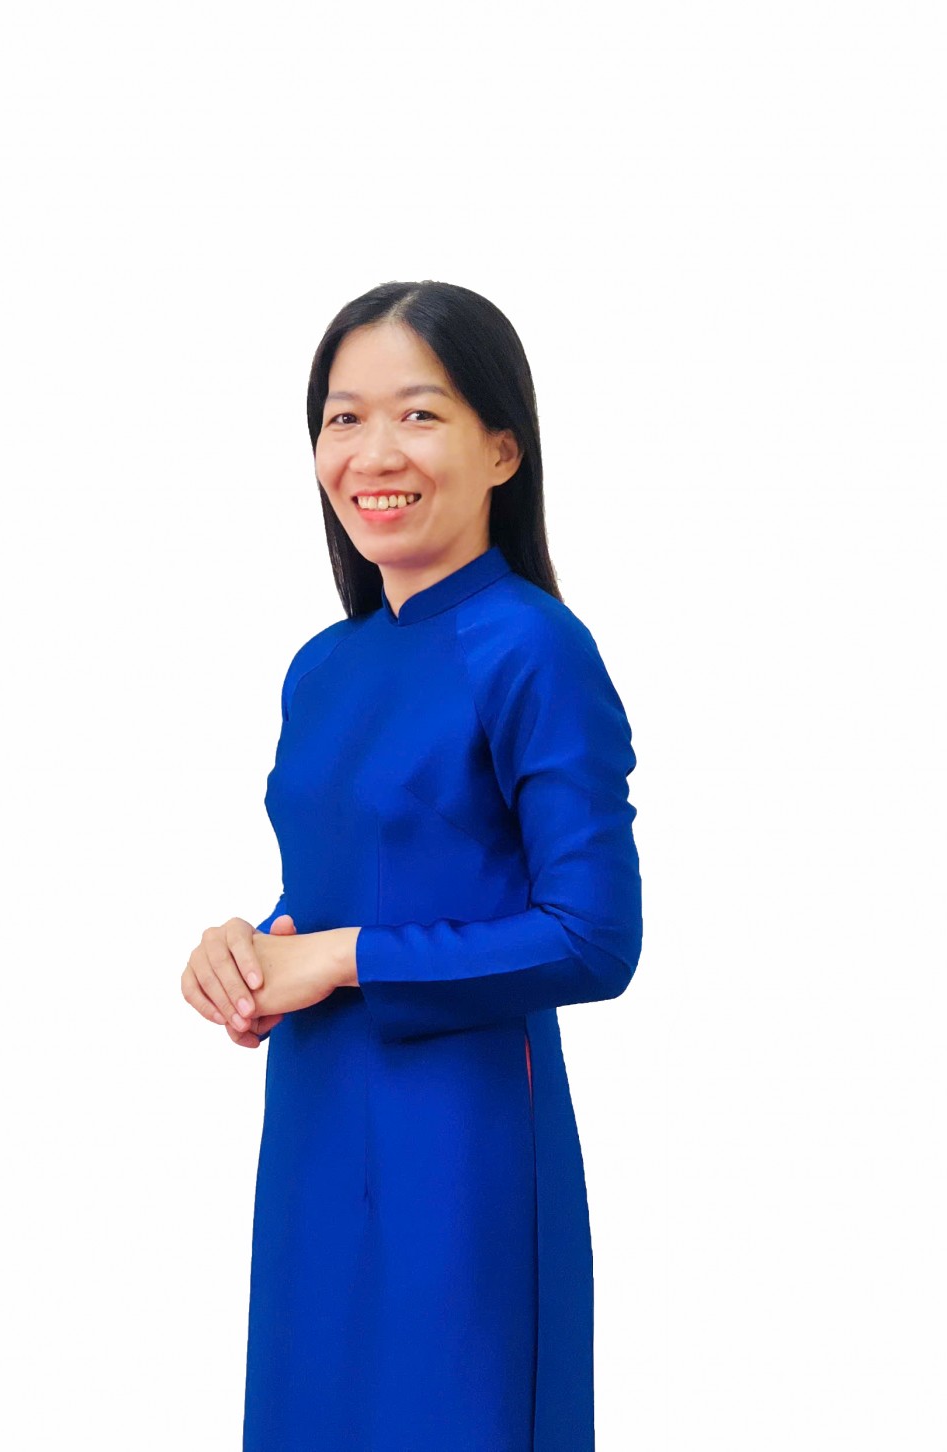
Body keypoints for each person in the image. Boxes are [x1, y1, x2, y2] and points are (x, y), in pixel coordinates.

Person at [181, 279, 643, 1451]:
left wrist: (343, 959)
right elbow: (343, 887)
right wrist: (253, 951)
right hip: (315, 1135)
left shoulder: (534, 648)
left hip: (461, 1147)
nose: (373, 453)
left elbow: (594, 937)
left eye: (419, 414)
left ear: (503, 450)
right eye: (343, 417)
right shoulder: (323, 666)